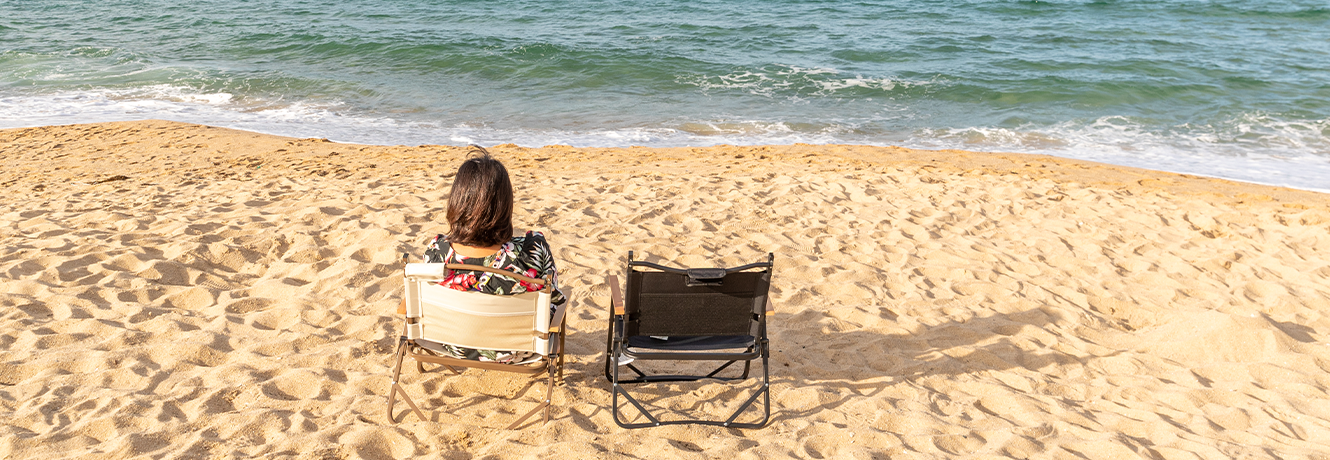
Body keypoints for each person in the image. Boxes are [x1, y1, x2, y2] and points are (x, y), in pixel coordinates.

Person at [405, 146, 567, 363]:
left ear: (457, 201)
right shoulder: (532, 251)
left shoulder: (437, 251)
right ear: (504, 205)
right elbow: (553, 301)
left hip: (447, 343)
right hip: (517, 351)